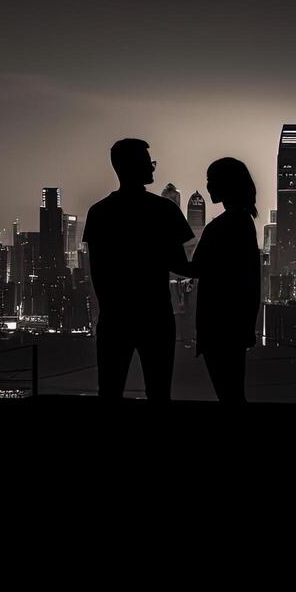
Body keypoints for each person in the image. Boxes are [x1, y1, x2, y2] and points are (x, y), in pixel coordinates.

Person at [82, 138, 195, 400]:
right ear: (133, 166)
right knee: (159, 391)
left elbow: (97, 271)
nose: (152, 169)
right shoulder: (164, 210)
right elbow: (180, 265)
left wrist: (111, 308)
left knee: (109, 390)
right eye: (148, 163)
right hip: (155, 315)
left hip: (114, 317)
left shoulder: (99, 212)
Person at [188, 157, 261, 403]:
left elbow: (195, 267)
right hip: (235, 327)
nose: (208, 186)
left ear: (227, 184)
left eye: (211, 180)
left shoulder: (224, 225)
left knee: (228, 394)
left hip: (219, 326)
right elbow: (251, 281)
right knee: (232, 393)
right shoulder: (244, 222)